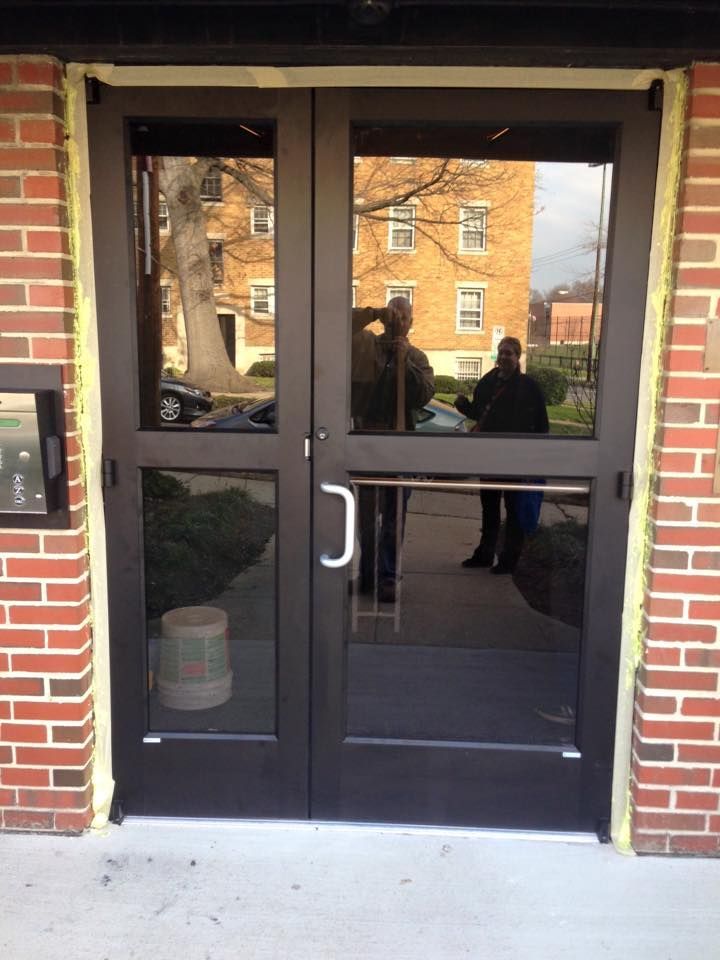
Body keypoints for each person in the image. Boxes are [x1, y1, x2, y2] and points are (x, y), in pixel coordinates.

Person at [351, 297, 435, 602]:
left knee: (394, 517)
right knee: (366, 517)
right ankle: (368, 574)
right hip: (367, 446)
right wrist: (371, 313)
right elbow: (335, 328)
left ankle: (388, 576)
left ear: (412, 322)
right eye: (393, 314)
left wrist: (404, 363)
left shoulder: (417, 357)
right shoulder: (365, 347)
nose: (398, 320)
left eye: (404, 316)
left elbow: (423, 396)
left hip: (400, 449)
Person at [454, 335, 548, 575]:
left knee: (514, 509)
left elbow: (541, 425)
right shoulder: (487, 382)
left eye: (509, 353)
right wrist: (464, 406)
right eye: (501, 352)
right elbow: (480, 412)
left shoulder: (529, 387)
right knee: (489, 507)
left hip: (517, 460)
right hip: (489, 457)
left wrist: (537, 458)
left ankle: (509, 559)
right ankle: (485, 553)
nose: (504, 357)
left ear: (518, 357)